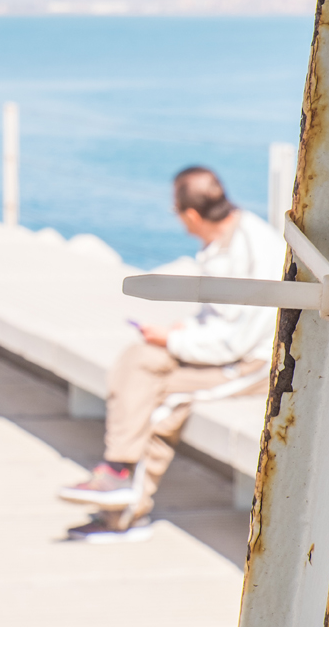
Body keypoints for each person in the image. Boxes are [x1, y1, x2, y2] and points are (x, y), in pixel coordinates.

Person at [59, 166, 282, 542]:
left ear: (191, 215)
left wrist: (173, 341)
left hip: (251, 365)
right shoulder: (222, 240)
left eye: (176, 212)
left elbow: (238, 343)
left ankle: (123, 515)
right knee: (137, 357)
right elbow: (220, 318)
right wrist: (180, 332)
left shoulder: (260, 250)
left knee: (165, 400)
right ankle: (115, 473)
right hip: (218, 351)